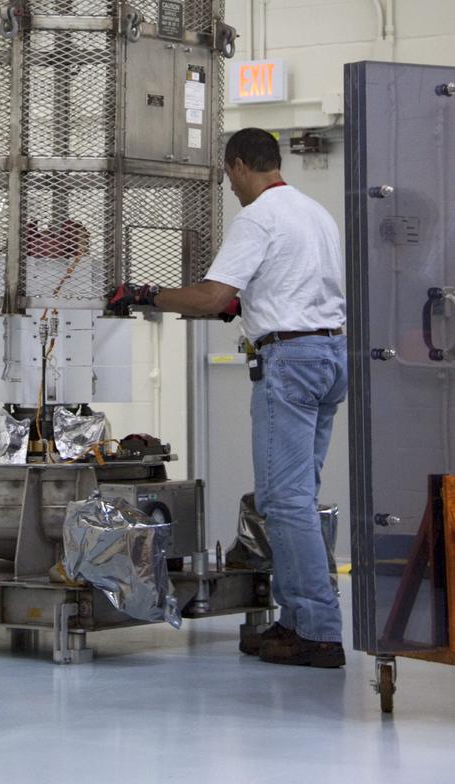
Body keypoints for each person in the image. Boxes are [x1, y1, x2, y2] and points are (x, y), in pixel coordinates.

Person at [108, 127, 347, 669]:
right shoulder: (314, 212)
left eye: (227, 176)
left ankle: (318, 631)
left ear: (238, 166)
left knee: (284, 503)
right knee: (293, 501)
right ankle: (294, 621)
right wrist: (242, 309)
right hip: (331, 357)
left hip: (290, 364)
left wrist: (145, 294)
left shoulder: (258, 216)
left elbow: (214, 295)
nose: (229, 187)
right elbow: (277, 293)